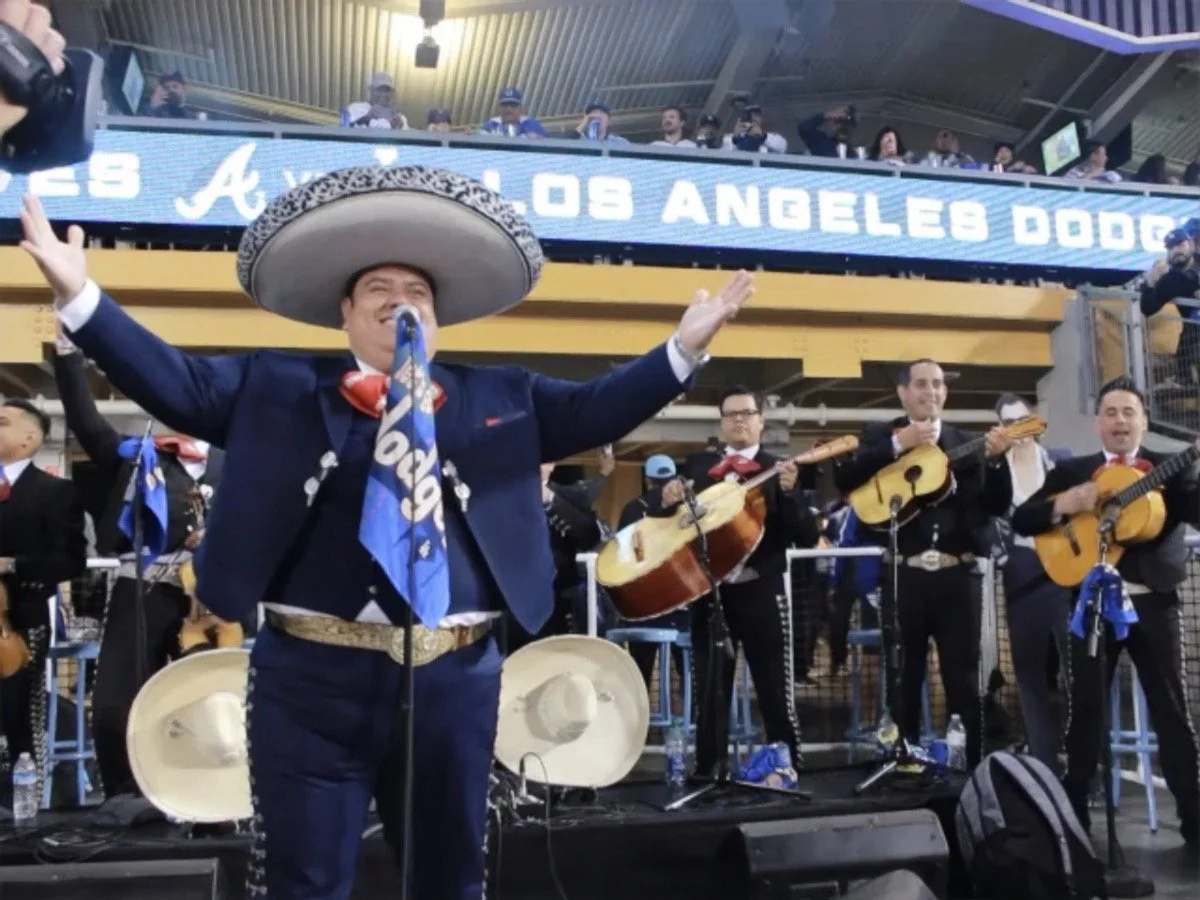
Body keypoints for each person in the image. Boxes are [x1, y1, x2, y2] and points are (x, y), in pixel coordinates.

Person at [16, 164, 754, 899]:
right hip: (309, 679)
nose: (401, 304)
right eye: (380, 292)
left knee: (451, 878)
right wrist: (80, 298)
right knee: (303, 882)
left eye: (417, 295)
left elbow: (599, 408)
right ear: (344, 312)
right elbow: (172, 379)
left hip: (455, 677)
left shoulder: (503, 394)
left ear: (436, 317)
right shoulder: (274, 385)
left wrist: (683, 349)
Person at [1011, 378, 1199, 846]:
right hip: (1091, 606)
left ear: (1144, 421)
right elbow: (1022, 520)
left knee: (1172, 712)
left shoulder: (1170, 469)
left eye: (1128, 412)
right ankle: (1075, 822)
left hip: (1153, 603)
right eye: (1111, 412)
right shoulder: (1075, 469)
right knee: (1086, 713)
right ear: (1097, 422)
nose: (1120, 421)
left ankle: (1195, 821)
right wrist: (1064, 503)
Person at [50, 329, 230, 801]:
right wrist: (67, 356)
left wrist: (218, 539)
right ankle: (126, 800)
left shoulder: (237, 461)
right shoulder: (136, 455)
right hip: (145, 586)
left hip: (213, 596)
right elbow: (86, 422)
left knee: (214, 703)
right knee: (115, 703)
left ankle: (214, 804)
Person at [833, 359, 1013, 767]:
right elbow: (848, 479)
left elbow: (995, 505)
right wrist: (901, 444)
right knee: (902, 675)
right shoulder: (881, 436)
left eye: (936, 385)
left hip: (958, 575)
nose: (930, 391)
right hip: (903, 572)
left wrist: (998, 463)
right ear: (903, 392)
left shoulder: (965, 441)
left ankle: (973, 766)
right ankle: (903, 761)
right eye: (920, 384)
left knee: (963, 676)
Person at [659, 387, 818, 775]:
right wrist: (665, 498)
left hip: (761, 589)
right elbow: (667, 523)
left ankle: (787, 764)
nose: (739, 420)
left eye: (747, 413)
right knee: (710, 689)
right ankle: (708, 770)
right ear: (721, 423)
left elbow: (807, 535)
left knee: (774, 687)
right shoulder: (697, 468)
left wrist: (792, 494)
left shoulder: (781, 468)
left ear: (762, 421)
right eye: (731, 414)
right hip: (710, 594)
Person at [0, 398, 86, 801]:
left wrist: (14, 564)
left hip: (18, 617)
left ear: (29, 438)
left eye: (2, 423)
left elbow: (70, 559)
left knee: (19, 712)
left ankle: (22, 801)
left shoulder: (55, 492)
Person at [990, 393, 1071, 771]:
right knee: (1029, 674)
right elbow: (985, 515)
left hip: (1066, 567)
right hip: (1021, 571)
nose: (1017, 429)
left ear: (1033, 420)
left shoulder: (1061, 460)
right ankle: (1044, 763)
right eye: (1008, 422)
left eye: (1021, 419)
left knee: (1077, 672)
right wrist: (1002, 555)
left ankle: (1082, 761)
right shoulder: (995, 470)